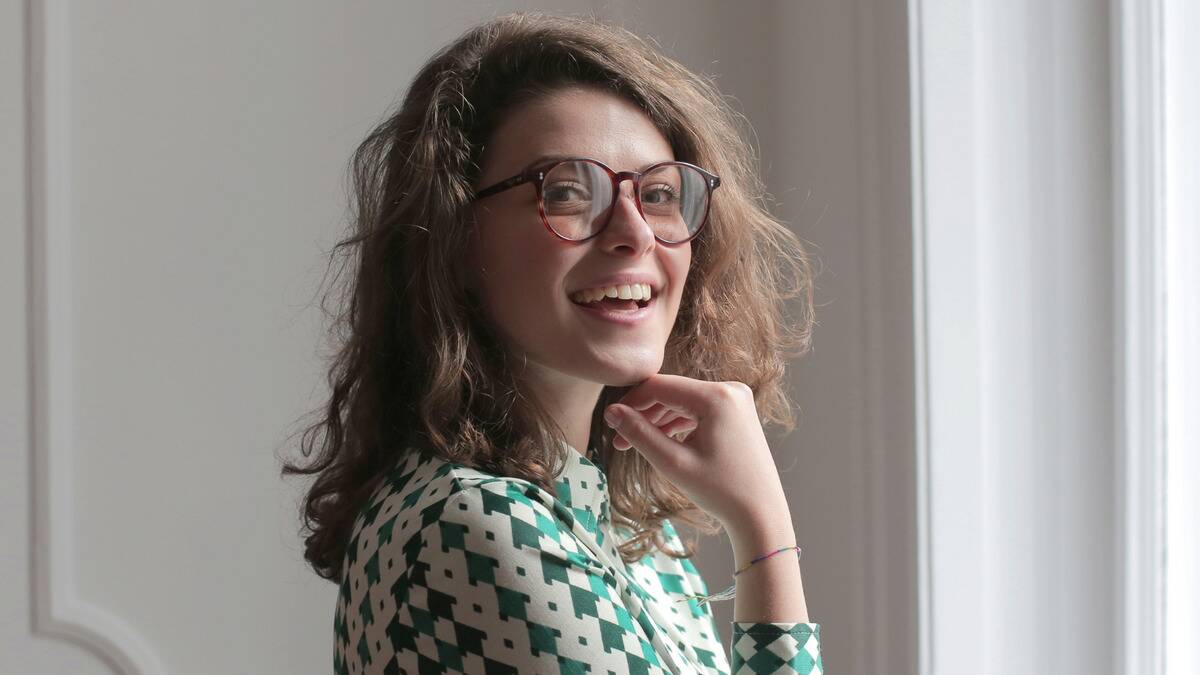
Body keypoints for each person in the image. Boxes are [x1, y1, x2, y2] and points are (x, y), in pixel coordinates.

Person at [282, 11, 823, 674]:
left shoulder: (628, 535)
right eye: (568, 191)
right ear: (454, 240)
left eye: (657, 193)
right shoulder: (478, 522)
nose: (635, 233)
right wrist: (765, 530)